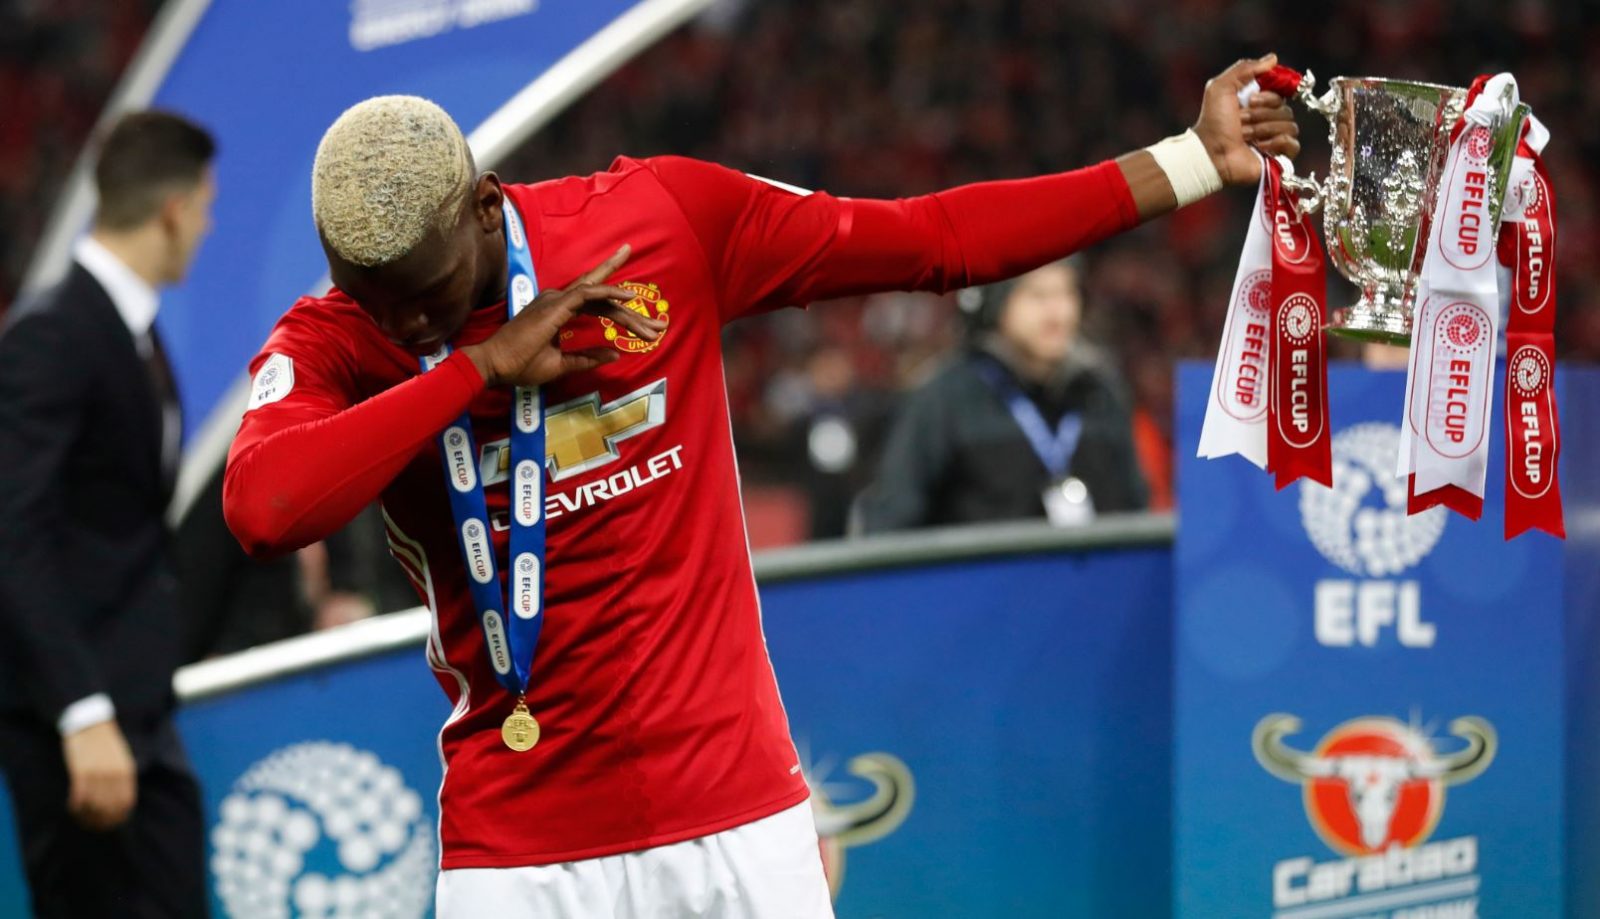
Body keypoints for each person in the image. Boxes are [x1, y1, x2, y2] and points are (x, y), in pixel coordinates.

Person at [222, 56, 1299, 916]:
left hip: (732, 815)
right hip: (516, 849)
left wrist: (1192, 160)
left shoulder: (654, 220)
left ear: (485, 205)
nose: (405, 322)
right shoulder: (336, 338)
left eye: (428, 293)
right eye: (374, 299)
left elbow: (934, 239)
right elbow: (264, 509)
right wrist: (477, 369)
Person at [0, 110, 215, 917]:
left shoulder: (130, 333)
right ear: (173, 211)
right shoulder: (53, 335)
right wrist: (82, 711)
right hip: (78, 730)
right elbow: (12, 532)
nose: (207, 226)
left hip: (138, 716)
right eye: (205, 207)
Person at [856, 257, 1148, 532]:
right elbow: (891, 519)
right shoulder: (946, 399)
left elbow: (1135, 511)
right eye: (1037, 295)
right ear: (997, 303)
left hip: (1092, 570)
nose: (1057, 313)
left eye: (1066, 293)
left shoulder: (1100, 393)